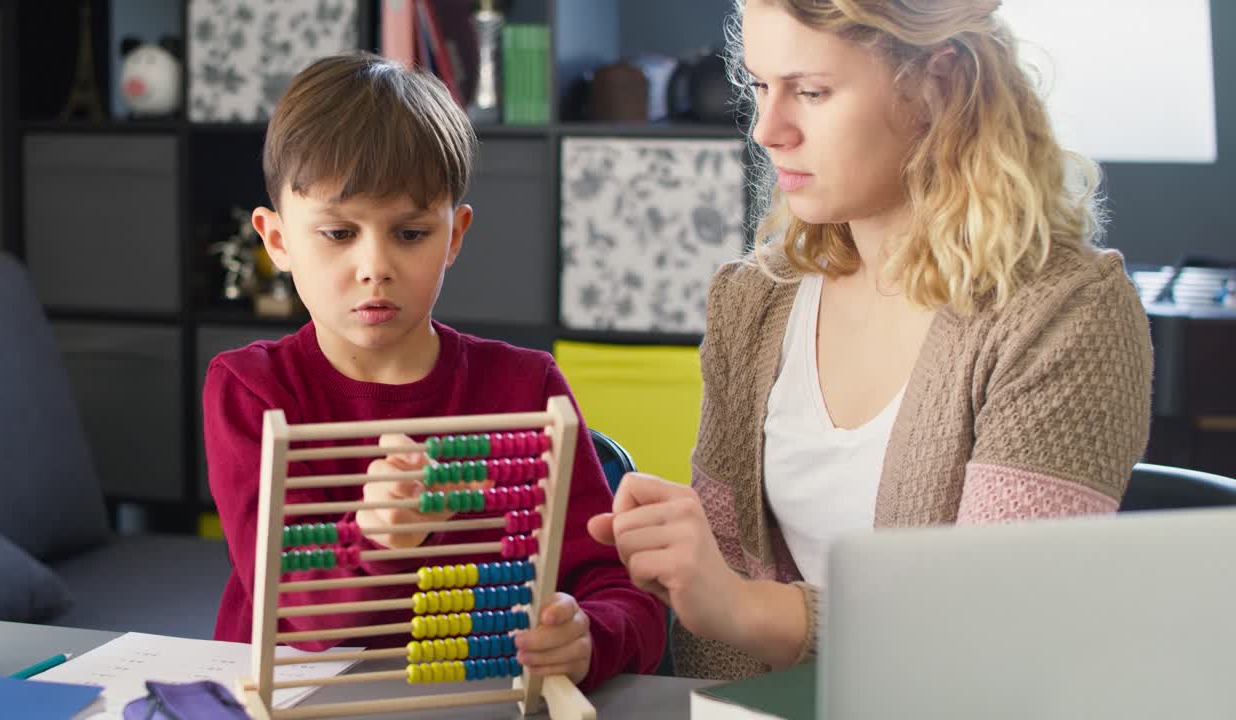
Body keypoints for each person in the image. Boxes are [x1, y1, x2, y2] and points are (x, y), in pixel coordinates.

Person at [588, 0, 1153, 681]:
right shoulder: (752, 301)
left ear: (935, 85)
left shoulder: (1064, 314)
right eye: (760, 86)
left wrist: (744, 607)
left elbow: (1003, 627)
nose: (769, 130)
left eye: (812, 92)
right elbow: (720, 623)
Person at [202, 52, 665, 689]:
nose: (375, 266)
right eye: (338, 233)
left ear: (454, 235)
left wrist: (590, 634)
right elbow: (289, 606)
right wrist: (372, 537)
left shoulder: (526, 390)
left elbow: (619, 590)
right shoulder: (252, 391)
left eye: (411, 233)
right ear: (277, 240)